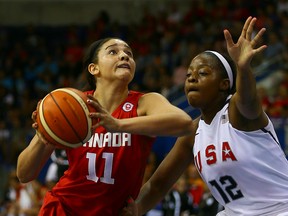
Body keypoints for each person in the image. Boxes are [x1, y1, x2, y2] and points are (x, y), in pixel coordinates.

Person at [121, 16, 288, 216]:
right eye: (189, 74)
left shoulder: (237, 111)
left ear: (224, 84)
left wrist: (243, 68)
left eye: (203, 73)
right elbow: (157, 185)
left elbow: (248, 100)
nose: (192, 77)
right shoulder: (191, 132)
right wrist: (132, 210)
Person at [16, 38, 194, 215]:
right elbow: (24, 174)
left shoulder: (145, 102)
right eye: (113, 52)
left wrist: (118, 125)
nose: (124, 56)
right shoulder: (73, 105)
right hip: (65, 209)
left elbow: (184, 123)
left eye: (128, 54)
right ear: (94, 68)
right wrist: (43, 136)